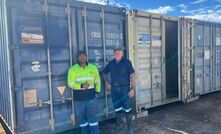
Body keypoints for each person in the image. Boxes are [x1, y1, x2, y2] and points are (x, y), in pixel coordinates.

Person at [103, 47, 136, 134]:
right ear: (114, 53)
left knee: (128, 109)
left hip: (125, 89)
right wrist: (107, 82)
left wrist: (132, 88)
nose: (117, 53)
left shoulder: (127, 62)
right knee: (117, 109)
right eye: (116, 52)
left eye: (119, 52)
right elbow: (104, 72)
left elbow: (132, 75)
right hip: (114, 90)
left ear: (122, 53)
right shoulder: (111, 63)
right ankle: (120, 127)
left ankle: (130, 129)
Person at [67, 51, 101, 134]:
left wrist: (97, 91)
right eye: (80, 56)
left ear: (86, 57)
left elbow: (97, 81)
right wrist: (81, 86)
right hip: (79, 99)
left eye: (83, 56)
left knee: (93, 119)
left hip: (91, 98)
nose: (82, 58)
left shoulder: (93, 68)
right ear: (77, 58)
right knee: (82, 120)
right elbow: (70, 83)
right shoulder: (73, 69)